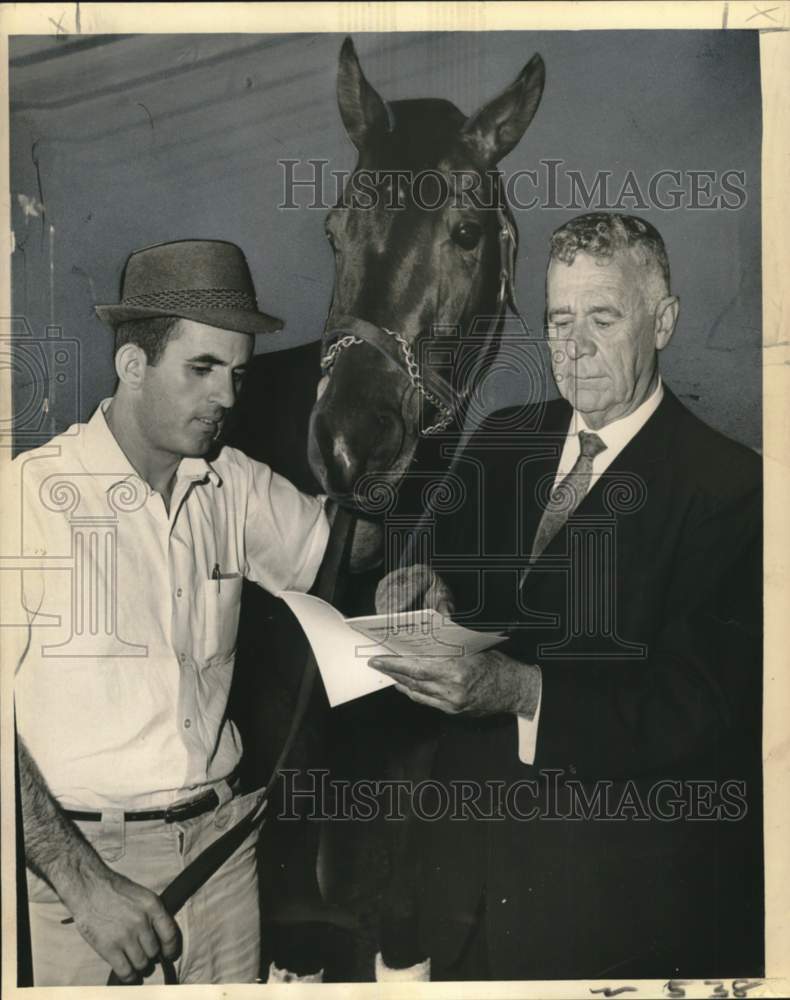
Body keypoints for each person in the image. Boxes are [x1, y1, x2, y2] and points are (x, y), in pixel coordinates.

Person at [370, 213, 763, 980]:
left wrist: (521, 692)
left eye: (603, 318)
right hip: (459, 888)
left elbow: (701, 709)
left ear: (665, 324)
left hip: (607, 908)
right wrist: (428, 584)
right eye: (558, 319)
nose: (573, 344)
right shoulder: (505, 435)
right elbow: (463, 588)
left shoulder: (733, 488)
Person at [10, 239, 337, 986]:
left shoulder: (233, 485)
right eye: (202, 368)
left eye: (239, 373)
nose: (227, 397)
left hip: (226, 855)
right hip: (87, 878)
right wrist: (85, 886)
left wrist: (398, 536)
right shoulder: (29, 500)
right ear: (132, 365)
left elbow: (340, 554)